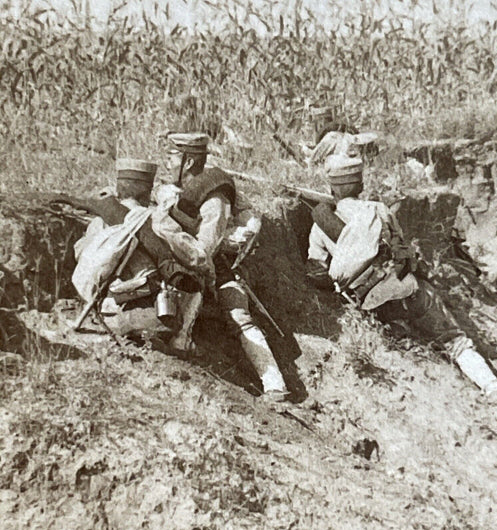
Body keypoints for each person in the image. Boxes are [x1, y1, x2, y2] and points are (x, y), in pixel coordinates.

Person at [306, 154, 497, 402]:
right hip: (405, 286)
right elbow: (400, 246)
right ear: (360, 185)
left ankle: (401, 332)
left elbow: (316, 271)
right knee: (454, 339)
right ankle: (492, 386)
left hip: (372, 302)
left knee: (397, 324)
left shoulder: (318, 227)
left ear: (331, 186)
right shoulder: (378, 209)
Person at [163, 132, 289, 401]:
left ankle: (274, 384)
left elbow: (204, 252)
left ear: (187, 163)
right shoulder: (178, 188)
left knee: (238, 315)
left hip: (219, 266)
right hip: (193, 257)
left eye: (171, 157)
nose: (167, 164)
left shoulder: (214, 200)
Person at [72, 158, 212, 346]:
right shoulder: (155, 219)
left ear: (119, 189)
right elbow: (195, 257)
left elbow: (81, 255)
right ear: (147, 193)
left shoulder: (98, 221)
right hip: (152, 318)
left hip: (104, 313)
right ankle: (181, 340)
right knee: (197, 276)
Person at [301, 105, 378, 168]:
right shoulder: (332, 138)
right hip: (345, 145)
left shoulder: (331, 137)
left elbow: (313, 160)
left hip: (343, 145)